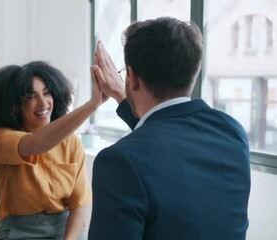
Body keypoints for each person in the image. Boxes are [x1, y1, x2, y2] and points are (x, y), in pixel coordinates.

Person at [88, 17, 251, 240]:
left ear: (132, 76)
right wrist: (122, 95)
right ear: (194, 69)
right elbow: (169, 144)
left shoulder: (119, 161)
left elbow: (158, 146)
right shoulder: (231, 131)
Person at [0, 61, 107, 240]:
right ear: (14, 105)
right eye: (31, 97)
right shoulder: (1, 137)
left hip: (67, 228)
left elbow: (79, 204)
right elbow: (37, 144)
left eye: (47, 93)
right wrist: (92, 105)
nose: (43, 102)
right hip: (20, 231)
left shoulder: (71, 142)